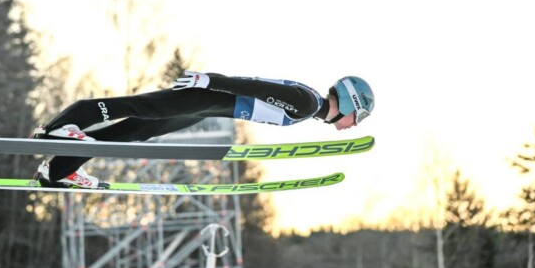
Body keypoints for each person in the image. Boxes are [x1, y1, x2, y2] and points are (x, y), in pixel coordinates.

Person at [31, 71, 375, 189]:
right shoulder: (307, 103)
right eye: (355, 118)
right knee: (136, 107)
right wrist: (210, 80)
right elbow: (252, 87)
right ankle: (59, 128)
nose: (350, 127)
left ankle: (60, 169)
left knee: (133, 132)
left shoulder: (309, 103)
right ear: (347, 103)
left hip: (206, 108)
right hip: (206, 97)